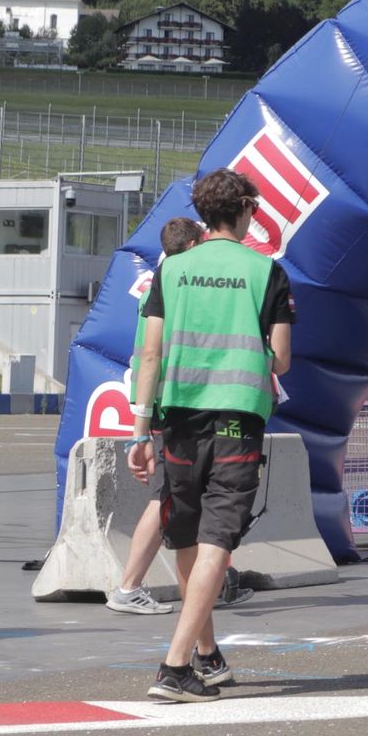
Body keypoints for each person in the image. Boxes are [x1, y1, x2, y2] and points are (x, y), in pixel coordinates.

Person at [127, 169, 293, 703]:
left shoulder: (171, 269)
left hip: (176, 418)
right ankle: (175, 667)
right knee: (219, 540)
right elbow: (282, 360)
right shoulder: (267, 270)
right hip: (237, 418)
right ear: (244, 208)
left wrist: (140, 428)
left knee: (188, 535)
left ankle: (205, 655)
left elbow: (150, 353)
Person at [107, 217, 249, 616]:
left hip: (158, 398)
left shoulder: (161, 282)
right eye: (202, 244)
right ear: (190, 246)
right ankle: (129, 586)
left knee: (185, 493)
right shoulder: (177, 284)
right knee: (168, 495)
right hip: (171, 399)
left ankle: (218, 577)